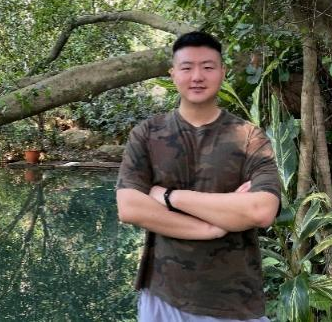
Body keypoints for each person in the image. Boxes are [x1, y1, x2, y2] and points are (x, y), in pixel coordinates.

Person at [116, 31, 281, 322]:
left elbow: (261, 210)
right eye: (186, 67)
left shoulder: (249, 137)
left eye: (207, 67)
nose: (197, 76)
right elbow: (130, 207)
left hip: (234, 299)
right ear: (172, 74)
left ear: (222, 72)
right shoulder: (147, 134)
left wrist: (169, 196)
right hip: (163, 294)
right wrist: (211, 228)